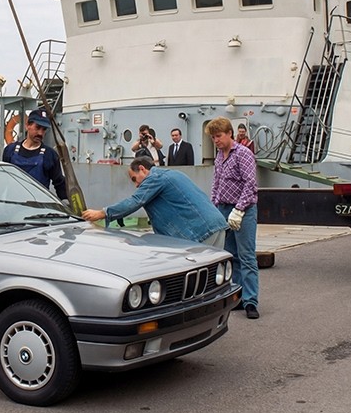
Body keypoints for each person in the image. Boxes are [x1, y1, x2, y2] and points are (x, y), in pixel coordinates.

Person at [81, 156, 227, 248]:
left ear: (142, 169)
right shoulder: (170, 174)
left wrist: (102, 213)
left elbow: (135, 201)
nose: (136, 185)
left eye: (134, 179)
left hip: (202, 232)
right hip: (215, 226)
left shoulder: (155, 178)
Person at [209, 117, 260, 319]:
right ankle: (238, 296)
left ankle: (251, 301)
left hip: (243, 210)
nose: (216, 140)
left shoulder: (243, 154)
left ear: (229, 133)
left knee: (247, 256)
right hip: (223, 208)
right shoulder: (219, 156)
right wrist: (213, 207)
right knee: (231, 255)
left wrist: (239, 209)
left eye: (218, 136)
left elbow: (250, 183)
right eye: (213, 138)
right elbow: (216, 184)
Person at [1, 108, 68, 200]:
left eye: (44, 129)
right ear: (27, 125)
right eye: (37, 127)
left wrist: (68, 203)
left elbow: (59, 184)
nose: (40, 133)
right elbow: (2, 180)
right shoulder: (10, 151)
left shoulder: (50, 155)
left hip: (38, 207)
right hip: (13, 205)